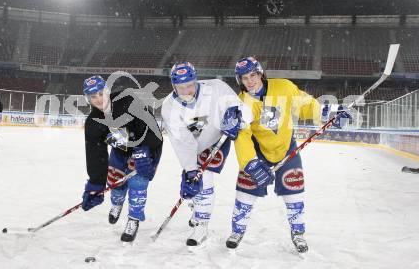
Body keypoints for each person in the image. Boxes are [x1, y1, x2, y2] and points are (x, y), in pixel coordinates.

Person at [227, 56, 351, 252]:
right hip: (258, 151)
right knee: (245, 190)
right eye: (244, 78)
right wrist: (250, 163)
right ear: (239, 81)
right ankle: (237, 230)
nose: (250, 81)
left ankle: (298, 233)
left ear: (260, 74)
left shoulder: (284, 87)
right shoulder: (242, 103)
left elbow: (307, 105)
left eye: (253, 75)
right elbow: (242, 136)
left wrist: (329, 112)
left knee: (294, 190)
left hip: (286, 149)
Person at [161, 62, 246, 247]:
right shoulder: (169, 107)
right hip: (192, 147)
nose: (186, 91)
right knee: (192, 184)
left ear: (196, 79)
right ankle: (196, 205)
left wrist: (235, 116)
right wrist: (190, 170)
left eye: (190, 85)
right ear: (173, 85)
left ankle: (202, 226)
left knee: (205, 178)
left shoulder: (216, 87)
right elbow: (182, 143)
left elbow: (240, 107)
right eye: (180, 87)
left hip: (217, 140)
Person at [81, 75, 163, 242]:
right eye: (92, 97)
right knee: (115, 180)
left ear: (107, 91)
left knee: (138, 184)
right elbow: (96, 154)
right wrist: (95, 184)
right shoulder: (93, 122)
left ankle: (134, 219)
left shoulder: (128, 99)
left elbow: (152, 127)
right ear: (87, 99)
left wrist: (145, 152)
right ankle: (117, 203)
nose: (98, 99)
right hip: (121, 151)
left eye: (100, 93)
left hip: (146, 148)